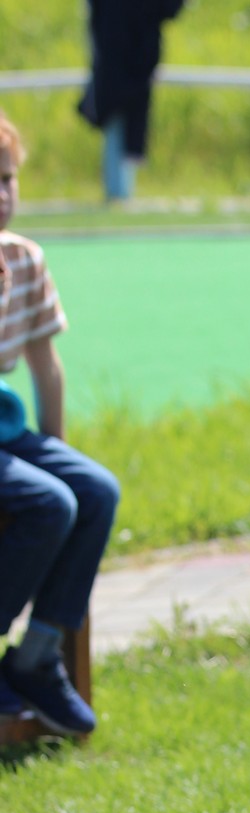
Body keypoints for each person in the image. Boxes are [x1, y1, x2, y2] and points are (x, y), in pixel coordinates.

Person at [0, 111, 119, 734]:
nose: (0, 195)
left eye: (6, 179)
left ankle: (38, 658)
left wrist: (55, 448)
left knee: (93, 491)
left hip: (7, 430)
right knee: (49, 504)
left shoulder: (23, 260)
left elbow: (46, 368)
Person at [78, 0, 185, 202]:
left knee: (129, 122)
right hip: (115, 54)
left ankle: (121, 192)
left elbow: (170, 9)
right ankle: (117, 193)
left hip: (137, 57)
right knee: (115, 117)